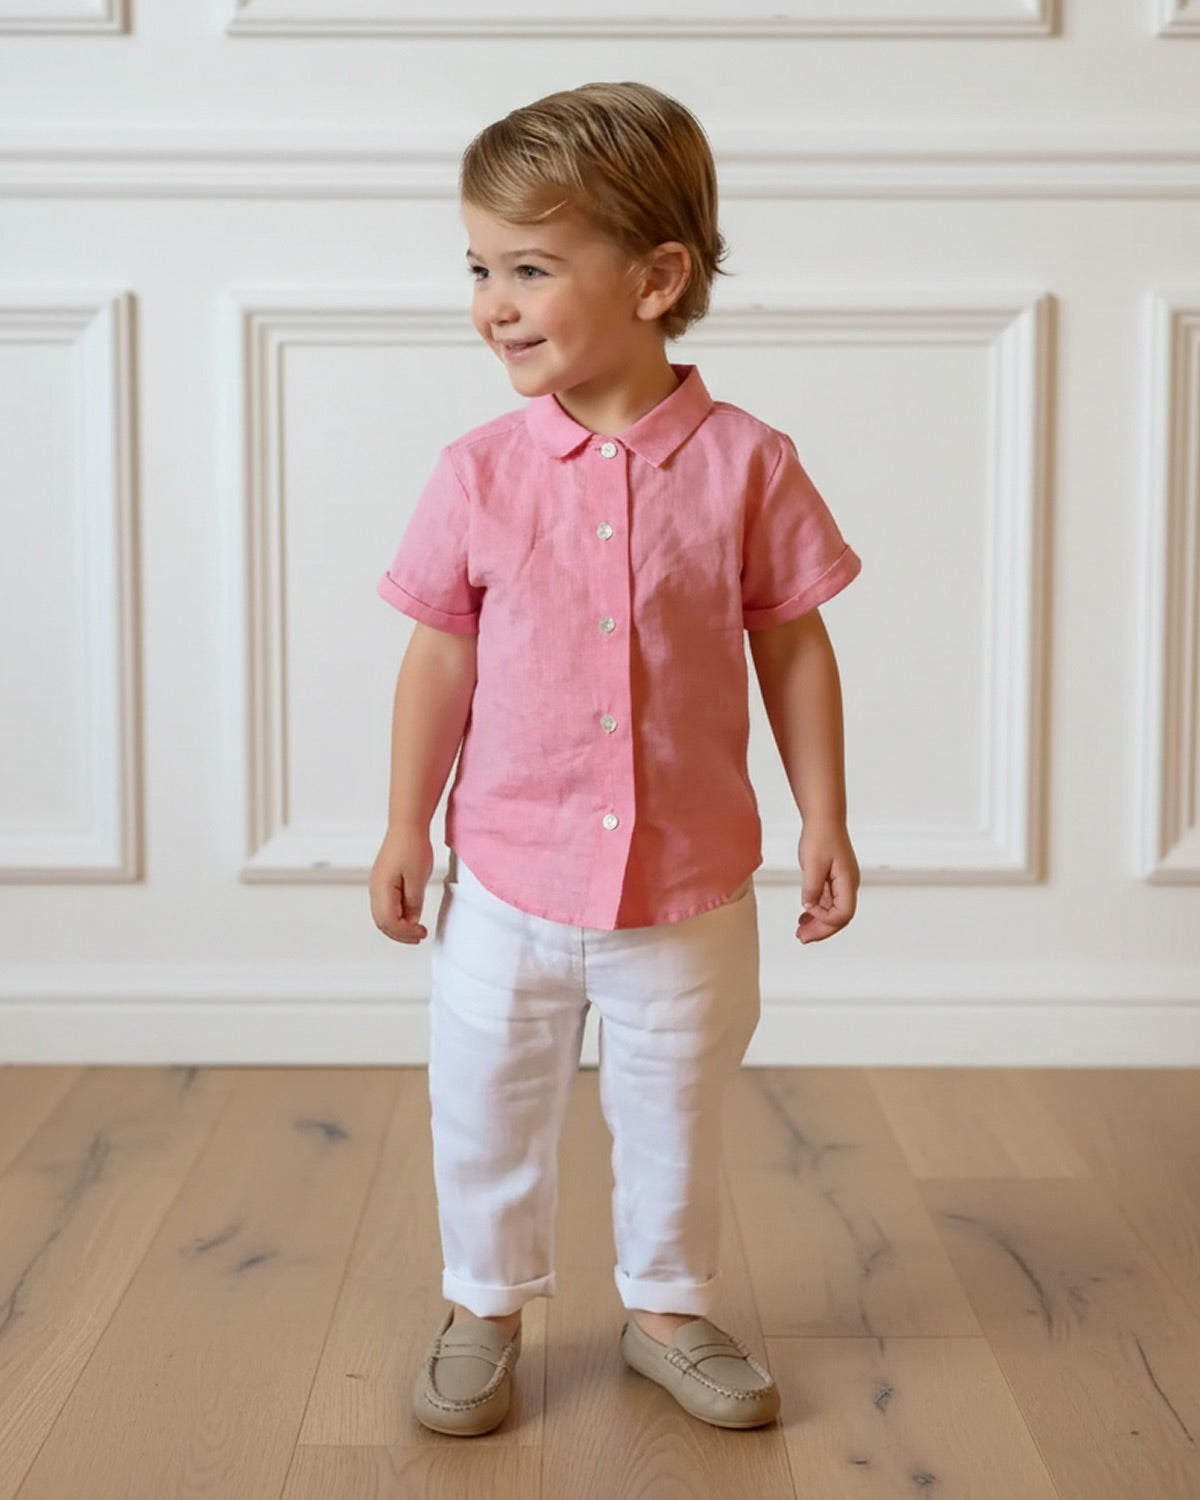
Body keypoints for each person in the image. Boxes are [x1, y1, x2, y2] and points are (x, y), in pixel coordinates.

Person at [369, 81, 862, 1438]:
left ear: (655, 279)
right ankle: (484, 1302)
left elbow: (795, 647)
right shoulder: (477, 473)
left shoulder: (750, 467)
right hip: (509, 884)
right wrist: (408, 825)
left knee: (677, 1106)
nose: (494, 302)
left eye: (530, 267)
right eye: (480, 267)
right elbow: (440, 656)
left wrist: (825, 816)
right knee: (483, 1099)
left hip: (688, 887)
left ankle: (664, 1304)